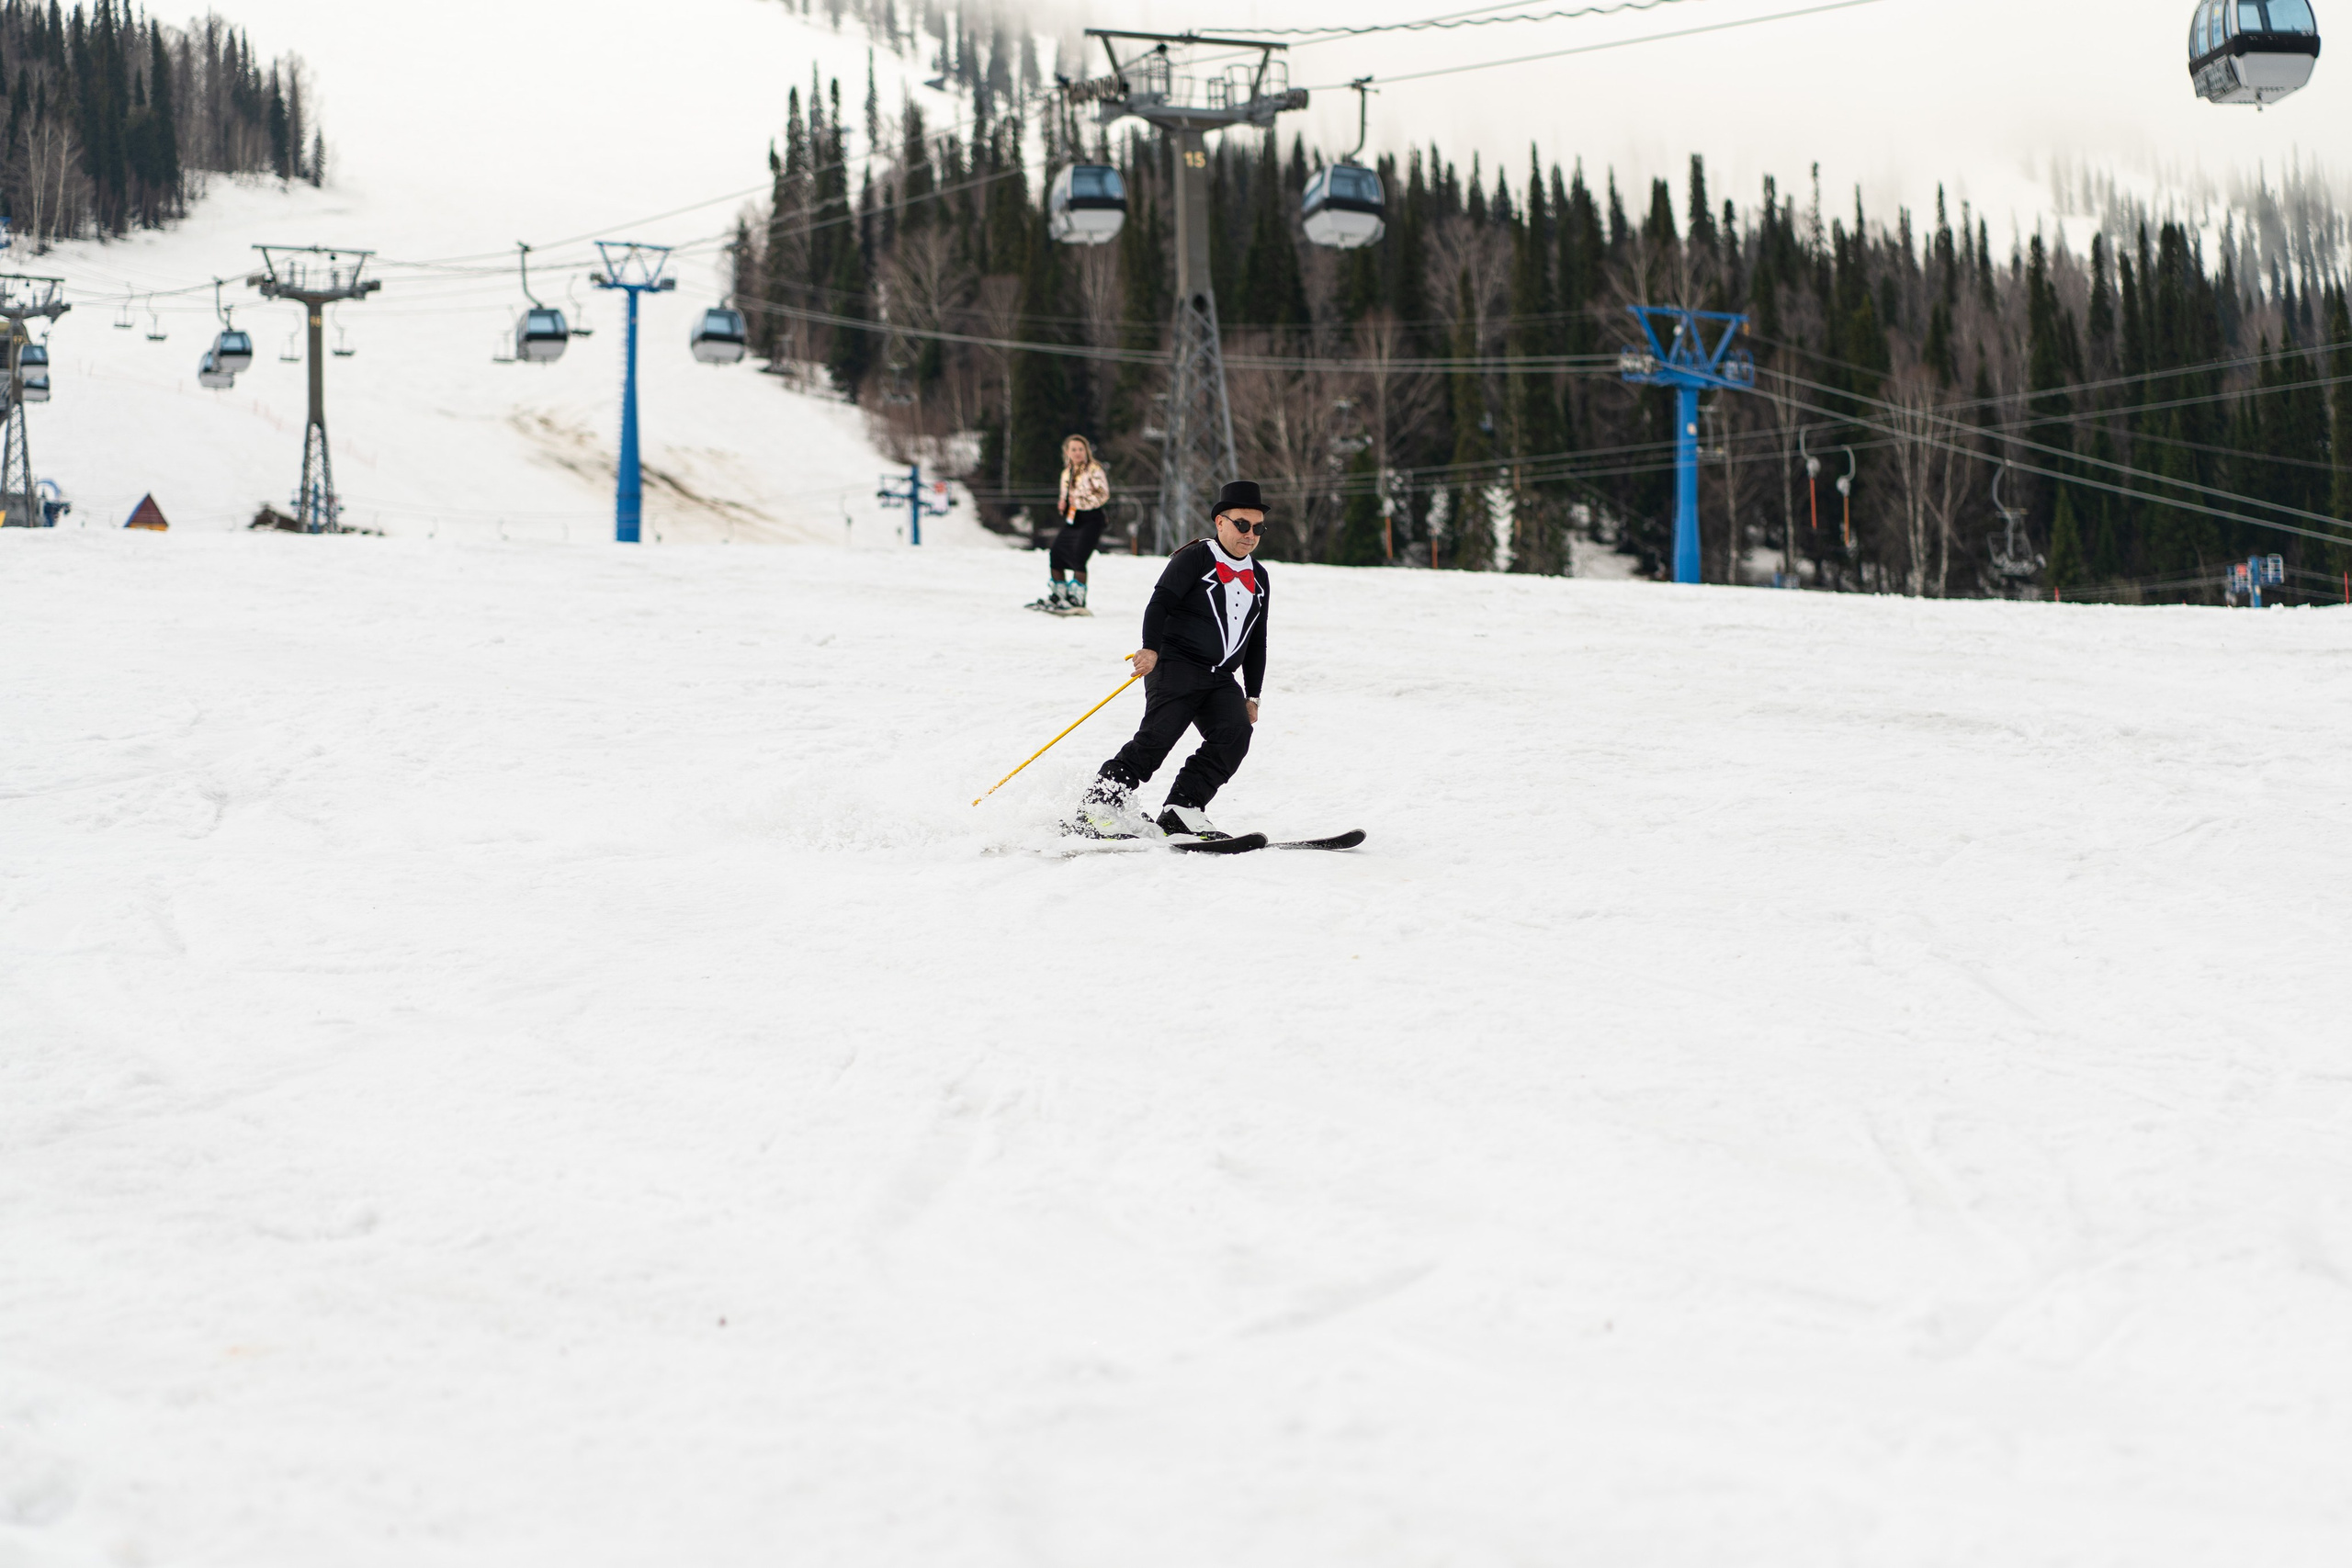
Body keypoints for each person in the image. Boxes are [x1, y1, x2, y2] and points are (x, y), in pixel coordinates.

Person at [1077, 479, 1271, 840]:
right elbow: (1160, 602)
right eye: (1242, 524)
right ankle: (1097, 806)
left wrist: (1253, 694)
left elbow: (1257, 638)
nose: (1250, 534)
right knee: (1157, 738)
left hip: (1220, 677)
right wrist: (1149, 647)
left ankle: (1183, 808)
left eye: (1258, 527)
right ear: (1220, 522)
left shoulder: (1259, 576)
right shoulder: (1196, 557)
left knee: (1234, 735)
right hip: (1176, 664)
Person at [1029, 434, 1111, 615]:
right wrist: (1063, 504)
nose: (1078, 453)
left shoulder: (1094, 469)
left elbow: (1103, 494)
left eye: (1081, 449)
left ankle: (1077, 598)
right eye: (1073, 449)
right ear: (1067, 452)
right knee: (1056, 553)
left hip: (1092, 518)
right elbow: (1065, 495)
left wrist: (1081, 500)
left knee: (1079, 556)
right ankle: (1059, 595)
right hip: (1074, 518)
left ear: (1086, 451)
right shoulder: (1066, 472)